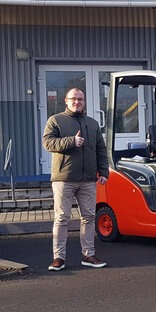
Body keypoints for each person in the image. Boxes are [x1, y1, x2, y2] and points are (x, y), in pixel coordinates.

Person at [42, 88, 109, 271]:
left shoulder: (92, 123)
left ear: (84, 101)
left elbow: (101, 150)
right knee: (62, 218)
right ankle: (58, 258)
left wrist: (103, 172)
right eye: (73, 99)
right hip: (64, 178)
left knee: (89, 217)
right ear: (66, 101)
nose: (77, 102)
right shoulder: (55, 120)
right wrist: (71, 141)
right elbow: (47, 143)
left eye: (80, 99)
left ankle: (88, 255)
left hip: (88, 179)